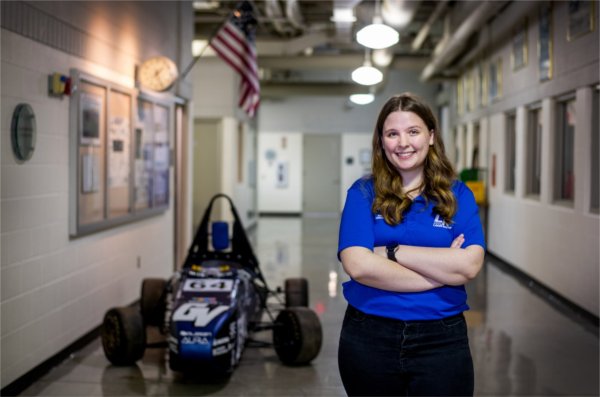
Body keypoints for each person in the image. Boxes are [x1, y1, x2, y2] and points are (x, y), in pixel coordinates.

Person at [337, 92, 485, 396]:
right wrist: (440, 271)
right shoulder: (363, 193)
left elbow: (469, 266)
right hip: (369, 335)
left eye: (413, 131)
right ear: (381, 141)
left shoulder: (457, 195)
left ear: (430, 136)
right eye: (392, 133)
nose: (403, 142)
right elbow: (358, 266)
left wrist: (392, 252)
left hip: (442, 338)